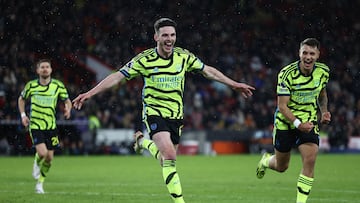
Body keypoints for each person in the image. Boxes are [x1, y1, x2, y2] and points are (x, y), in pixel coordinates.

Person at [73, 17, 255, 203]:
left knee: (165, 160)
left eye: (173, 35)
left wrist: (233, 84)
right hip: (154, 112)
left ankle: (142, 142)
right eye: (165, 35)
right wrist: (90, 93)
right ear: (156, 37)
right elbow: (117, 76)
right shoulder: (145, 60)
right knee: (169, 155)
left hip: (176, 115)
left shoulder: (183, 57)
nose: (170, 39)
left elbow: (208, 71)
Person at [256, 38, 331, 203]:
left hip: (309, 120)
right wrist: (298, 124)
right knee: (282, 167)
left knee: (310, 161)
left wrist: (324, 111)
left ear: (318, 55)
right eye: (305, 53)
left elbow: (322, 93)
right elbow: (282, 106)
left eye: (312, 53)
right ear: (299, 54)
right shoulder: (286, 74)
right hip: (285, 122)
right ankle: (266, 161)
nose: (308, 57)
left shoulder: (323, 71)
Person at [18, 59, 72, 194]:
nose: (45, 69)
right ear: (37, 70)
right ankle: (37, 161)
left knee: (49, 158)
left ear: (51, 70)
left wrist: (68, 109)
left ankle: (40, 184)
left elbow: (67, 100)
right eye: (42, 67)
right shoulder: (31, 86)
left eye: (47, 67)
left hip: (51, 126)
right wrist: (23, 115)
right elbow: (21, 99)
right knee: (42, 153)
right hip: (36, 125)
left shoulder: (58, 86)